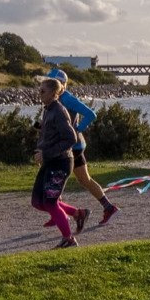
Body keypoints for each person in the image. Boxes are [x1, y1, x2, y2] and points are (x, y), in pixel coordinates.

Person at [39, 68, 118, 227]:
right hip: (72, 146)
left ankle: (63, 214)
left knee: (54, 179)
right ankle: (109, 208)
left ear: (61, 85)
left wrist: (77, 129)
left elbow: (91, 114)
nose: (47, 86)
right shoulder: (54, 100)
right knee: (84, 180)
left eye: (51, 83)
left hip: (71, 147)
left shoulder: (67, 99)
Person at [32, 75, 89, 248]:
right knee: (37, 201)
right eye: (39, 90)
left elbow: (70, 138)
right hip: (50, 160)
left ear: (54, 93)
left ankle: (69, 239)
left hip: (61, 162)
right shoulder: (48, 109)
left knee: (50, 202)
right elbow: (52, 133)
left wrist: (46, 152)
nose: (39, 93)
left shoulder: (58, 110)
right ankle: (78, 213)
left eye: (43, 91)